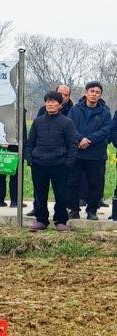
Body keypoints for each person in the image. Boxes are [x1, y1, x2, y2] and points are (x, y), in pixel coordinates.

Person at [25, 91, 78, 232]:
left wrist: (68, 163)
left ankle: (60, 220)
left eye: (53, 101)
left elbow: (72, 145)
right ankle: (41, 220)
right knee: (40, 194)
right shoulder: (38, 121)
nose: (50, 104)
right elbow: (30, 142)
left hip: (60, 165)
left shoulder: (67, 123)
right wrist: (30, 159)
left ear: (60, 105)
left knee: (61, 194)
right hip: (39, 164)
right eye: (48, 101)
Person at [66, 81, 110, 220]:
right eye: (91, 91)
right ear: (86, 93)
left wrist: (88, 140)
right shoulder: (75, 110)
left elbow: (105, 130)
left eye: (97, 92)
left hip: (96, 154)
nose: (94, 94)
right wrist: (80, 139)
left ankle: (92, 210)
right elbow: (70, 126)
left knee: (94, 183)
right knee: (73, 182)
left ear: (100, 95)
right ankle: (73, 209)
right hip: (77, 152)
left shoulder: (105, 112)